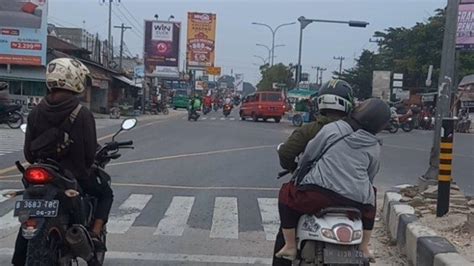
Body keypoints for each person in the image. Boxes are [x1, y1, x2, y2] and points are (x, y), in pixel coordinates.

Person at [12, 58, 113, 266]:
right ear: (75, 80)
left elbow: (28, 153)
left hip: (41, 173)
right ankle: (94, 234)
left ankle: (19, 257)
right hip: (72, 176)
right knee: (105, 193)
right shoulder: (82, 113)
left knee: (31, 214)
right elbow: (88, 155)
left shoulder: (35, 112)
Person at [275, 98, 391, 262]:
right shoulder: (374, 144)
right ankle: (364, 246)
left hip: (318, 194)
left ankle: (290, 246)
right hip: (356, 201)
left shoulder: (333, 129)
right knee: (371, 196)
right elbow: (371, 175)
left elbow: (309, 155)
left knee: (286, 194)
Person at [273, 79, 355, 266]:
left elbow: (286, 153)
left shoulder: (309, 131)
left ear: (320, 102)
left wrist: (292, 167)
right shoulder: (358, 133)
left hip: (314, 195)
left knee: (286, 215)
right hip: (353, 197)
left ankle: (289, 248)